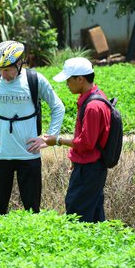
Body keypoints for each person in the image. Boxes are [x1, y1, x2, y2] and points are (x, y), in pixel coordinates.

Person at [0, 41, 65, 214]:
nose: (2, 74)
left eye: (7, 69)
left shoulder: (35, 80)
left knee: (32, 211)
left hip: (29, 155)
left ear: (19, 63)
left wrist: (49, 138)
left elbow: (58, 107)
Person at [43, 57, 110, 222]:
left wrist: (57, 140)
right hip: (89, 166)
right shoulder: (93, 97)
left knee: (76, 212)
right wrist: (76, 157)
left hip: (90, 169)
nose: (67, 84)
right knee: (93, 214)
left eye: (68, 80)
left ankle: (81, 245)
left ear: (80, 79)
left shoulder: (93, 106)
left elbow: (87, 143)